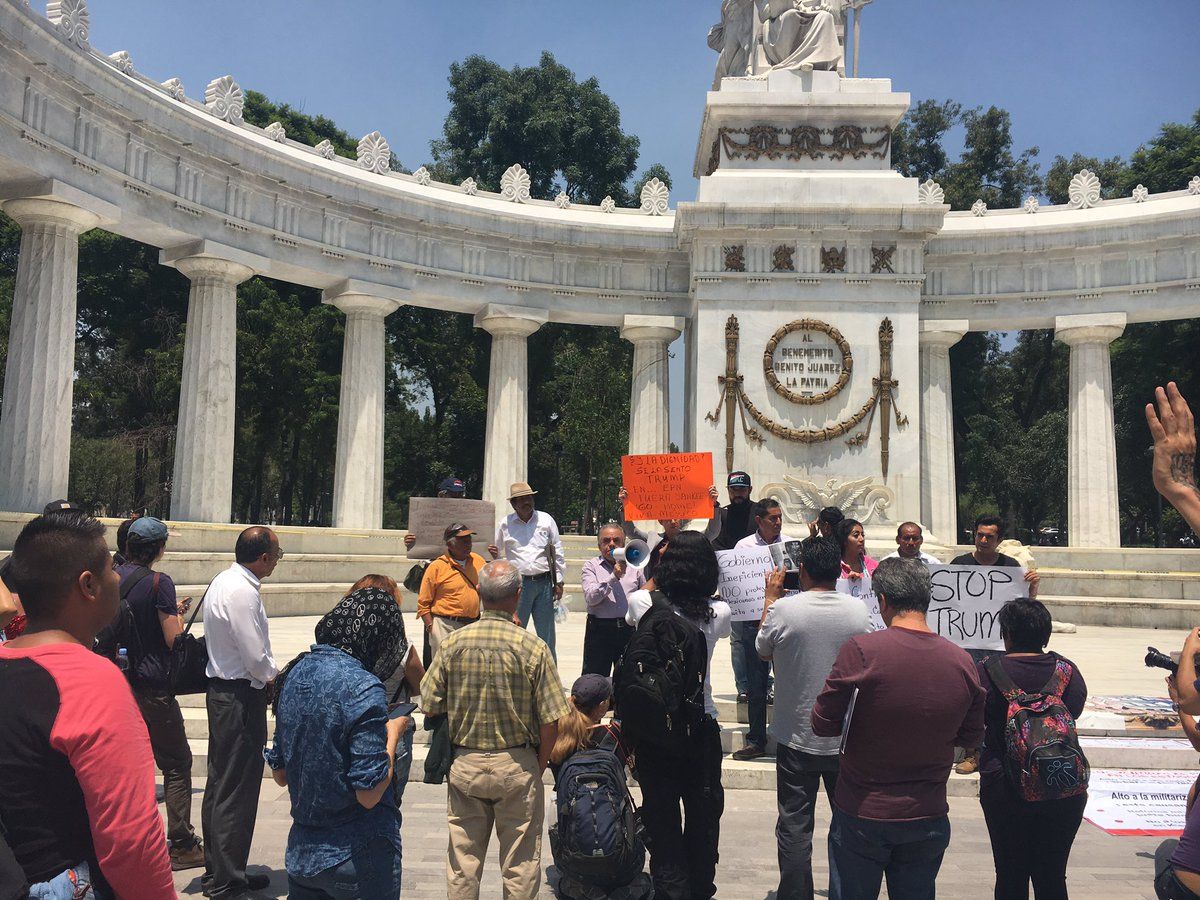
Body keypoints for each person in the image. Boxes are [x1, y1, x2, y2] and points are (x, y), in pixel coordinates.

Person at [0, 512, 175, 898]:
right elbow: (131, 840)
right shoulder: (92, 680)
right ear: (88, 585)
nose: (118, 578)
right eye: (111, 568)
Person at [812, 557, 985, 900]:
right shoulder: (962, 661)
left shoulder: (863, 651)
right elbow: (971, 736)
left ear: (883, 600)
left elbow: (822, 723)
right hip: (927, 812)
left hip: (864, 811)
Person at [420, 559, 570, 899]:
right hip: (517, 763)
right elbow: (551, 719)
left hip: (466, 763)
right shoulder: (533, 647)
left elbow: (429, 703)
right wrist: (538, 765)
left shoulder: (453, 644)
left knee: (463, 862)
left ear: (478, 592)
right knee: (521, 863)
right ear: (518, 595)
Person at [266, 586, 412, 899]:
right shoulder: (363, 687)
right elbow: (369, 794)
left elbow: (280, 774)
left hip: (303, 854)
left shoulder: (293, 673)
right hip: (357, 854)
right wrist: (393, 731)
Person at [756, 536, 872, 900]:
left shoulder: (783, 610)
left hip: (796, 735)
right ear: (838, 570)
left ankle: (794, 894)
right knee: (849, 822)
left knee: (794, 824)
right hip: (844, 737)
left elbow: (761, 650)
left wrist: (770, 598)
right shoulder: (858, 611)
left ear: (802, 570)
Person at [625, 531, 731, 900]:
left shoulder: (643, 603)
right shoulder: (719, 613)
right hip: (701, 723)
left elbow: (636, 605)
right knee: (703, 818)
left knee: (661, 816)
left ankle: (670, 890)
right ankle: (700, 888)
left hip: (657, 730)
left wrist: (658, 569)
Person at [976, 598, 1088, 900]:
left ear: (1007, 634)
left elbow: (973, 720)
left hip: (1004, 785)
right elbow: (1073, 713)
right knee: (1052, 875)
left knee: (1010, 874)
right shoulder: (1066, 671)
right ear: (1046, 634)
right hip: (1062, 782)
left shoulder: (986, 672)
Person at [115, 516, 204, 870]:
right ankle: (181, 844)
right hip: (152, 687)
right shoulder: (158, 582)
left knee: (128, 765)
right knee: (177, 763)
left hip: (117, 685)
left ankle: (127, 840)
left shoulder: (112, 577)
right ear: (160, 549)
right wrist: (177, 617)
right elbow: (172, 639)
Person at [201, 526, 282, 900]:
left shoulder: (225, 580)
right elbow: (255, 657)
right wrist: (275, 677)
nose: (277, 561)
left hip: (224, 692)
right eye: (276, 554)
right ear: (263, 557)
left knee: (221, 783)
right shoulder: (243, 591)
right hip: (239, 697)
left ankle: (220, 869)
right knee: (236, 789)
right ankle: (228, 882)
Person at [951, 513, 1040, 775]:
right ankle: (972, 751)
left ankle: (999, 748)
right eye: (979, 535)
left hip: (999, 647)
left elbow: (1022, 609)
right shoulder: (958, 564)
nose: (983, 540)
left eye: (989, 536)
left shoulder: (1011, 567)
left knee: (997, 698)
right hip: (965, 644)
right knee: (969, 696)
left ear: (999, 540)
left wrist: (1032, 590)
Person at [548, 674, 650, 900]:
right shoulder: (616, 734)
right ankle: (622, 887)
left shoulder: (558, 736)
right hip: (617, 854)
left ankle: (580, 885)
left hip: (574, 854)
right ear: (603, 705)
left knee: (554, 805)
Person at [732, 498, 799, 760]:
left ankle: (789, 738)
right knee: (756, 684)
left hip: (788, 619)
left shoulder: (791, 545)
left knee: (789, 681)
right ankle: (756, 739)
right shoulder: (743, 546)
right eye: (773, 518)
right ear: (759, 520)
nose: (778, 522)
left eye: (780, 517)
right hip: (754, 621)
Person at [489, 482, 566, 661]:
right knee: (514, 632)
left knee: (547, 636)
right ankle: (513, 671)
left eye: (529, 498)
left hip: (544, 583)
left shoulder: (546, 520)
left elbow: (558, 551)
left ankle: (549, 672)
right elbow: (496, 553)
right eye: (521, 499)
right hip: (517, 585)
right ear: (513, 504)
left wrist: (559, 581)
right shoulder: (505, 524)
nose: (527, 502)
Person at [712, 471, 758, 703]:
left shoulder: (760, 512)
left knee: (764, 637)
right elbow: (715, 544)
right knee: (737, 639)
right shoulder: (722, 515)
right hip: (735, 587)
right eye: (734, 489)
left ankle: (765, 684)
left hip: (759, 586)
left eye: (742, 489)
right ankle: (744, 687)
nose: (738, 493)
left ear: (750, 490)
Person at [616, 484, 721, 582]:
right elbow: (630, 531)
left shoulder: (691, 539)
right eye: (668, 518)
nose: (673, 521)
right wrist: (625, 506)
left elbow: (712, 532)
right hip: (656, 589)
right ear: (660, 521)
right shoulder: (652, 538)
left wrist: (714, 505)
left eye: (676, 517)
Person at [580, 524, 646, 678]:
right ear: (599, 546)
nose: (611, 544)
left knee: (629, 678)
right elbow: (591, 598)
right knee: (595, 679)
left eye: (616, 540)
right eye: (606, 541)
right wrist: (613, 577)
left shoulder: (635, 565)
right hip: (599, 630)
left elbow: (644, 594)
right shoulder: (591, 566)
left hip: (628, 629)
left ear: (623, 544)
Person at [418, 522, 484, 657]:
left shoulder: (478, 561)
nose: (468, 544)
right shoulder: (436, 566)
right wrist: (432, 628)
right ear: (450, 545)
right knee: (444, 666)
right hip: (444, 626)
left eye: (469, 540)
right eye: (463, 541)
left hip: (472, 625)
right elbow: (423, 603)